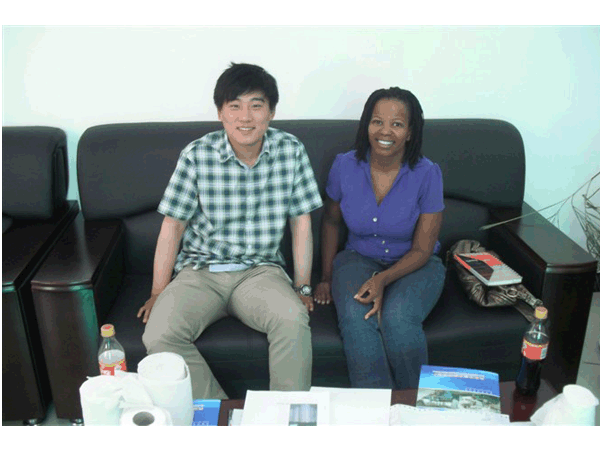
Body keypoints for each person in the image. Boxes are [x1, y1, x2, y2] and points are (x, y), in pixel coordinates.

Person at [138, 63, 323, 400]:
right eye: (234, 106)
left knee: (293, 320)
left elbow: (301, 221)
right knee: (159, 335)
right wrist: (157, 291)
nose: (245, 117)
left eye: (256, 105)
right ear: (220, 113)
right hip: (200, 273)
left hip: (260, 273)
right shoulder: (197, 155)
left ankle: (285, 416)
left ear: (271, 112)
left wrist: (303, 285)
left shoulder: (291, 150)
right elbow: (173, 225)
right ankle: (224, 417)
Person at [314, 87, 446, 390]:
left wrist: (383, 280)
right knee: (357, 319)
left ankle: (412, 405)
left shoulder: (427, 173)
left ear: (410, 132)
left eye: (397, 124)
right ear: (366, 125)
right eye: (377, 122)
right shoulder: (344, 165)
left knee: (398, 318)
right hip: (357, 258)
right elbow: (331, 222)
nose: (385, 131)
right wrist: (326, 276)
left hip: (415, 264)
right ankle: (374, 410)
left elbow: (423, 249)